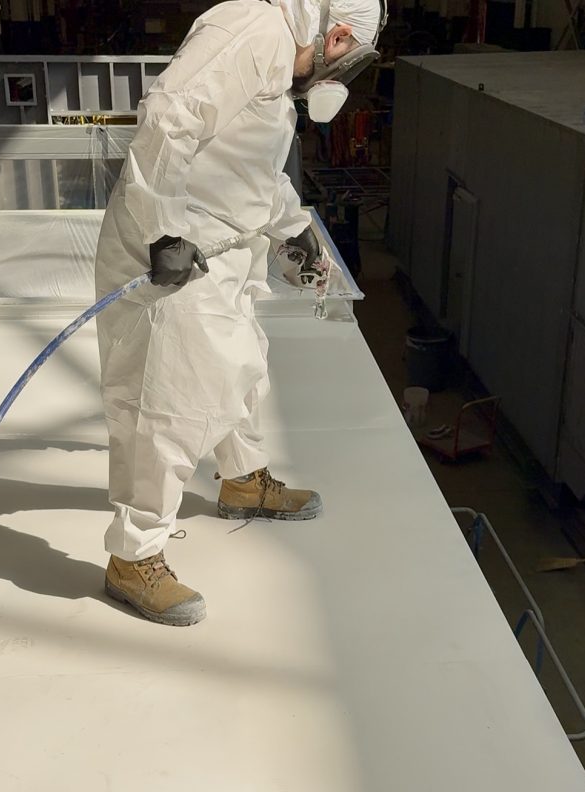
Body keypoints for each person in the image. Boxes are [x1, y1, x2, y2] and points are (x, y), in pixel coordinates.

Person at [94, 0, 382, 626]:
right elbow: (169, 117)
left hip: (224, 243)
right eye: (344, 61)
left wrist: (293, 225)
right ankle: (134, 556)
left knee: (241, 365)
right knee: (170, 398)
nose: (334, 78)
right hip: (180, 246)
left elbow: (250, 162)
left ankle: (243, 479)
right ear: (335, 35)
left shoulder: (278, 64)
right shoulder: (253, 31)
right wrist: (161, 232)